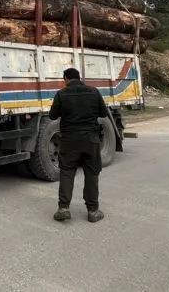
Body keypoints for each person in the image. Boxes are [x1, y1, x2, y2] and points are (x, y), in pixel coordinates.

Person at [48, 68, 107, 223]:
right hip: (90, 140)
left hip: (70, 140)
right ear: (79, 78)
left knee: (67, 172)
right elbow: (103, 113)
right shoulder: (94, 92)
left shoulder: (61, 94)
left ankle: (64, 208)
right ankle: (93, 211)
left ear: (66, 78)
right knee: (92, 173)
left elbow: (52, 115)